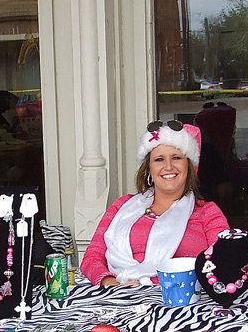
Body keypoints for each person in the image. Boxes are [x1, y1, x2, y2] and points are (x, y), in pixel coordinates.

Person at [81, 120, 229, 286]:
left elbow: (224, 262)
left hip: (181, 297)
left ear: (188, 165)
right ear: (148, 168)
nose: (168, 166)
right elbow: (91, 258)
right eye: (159, 159)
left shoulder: (207, 212)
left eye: (176, 158)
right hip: (120, 295)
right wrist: (113, 285)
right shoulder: (122, 205)